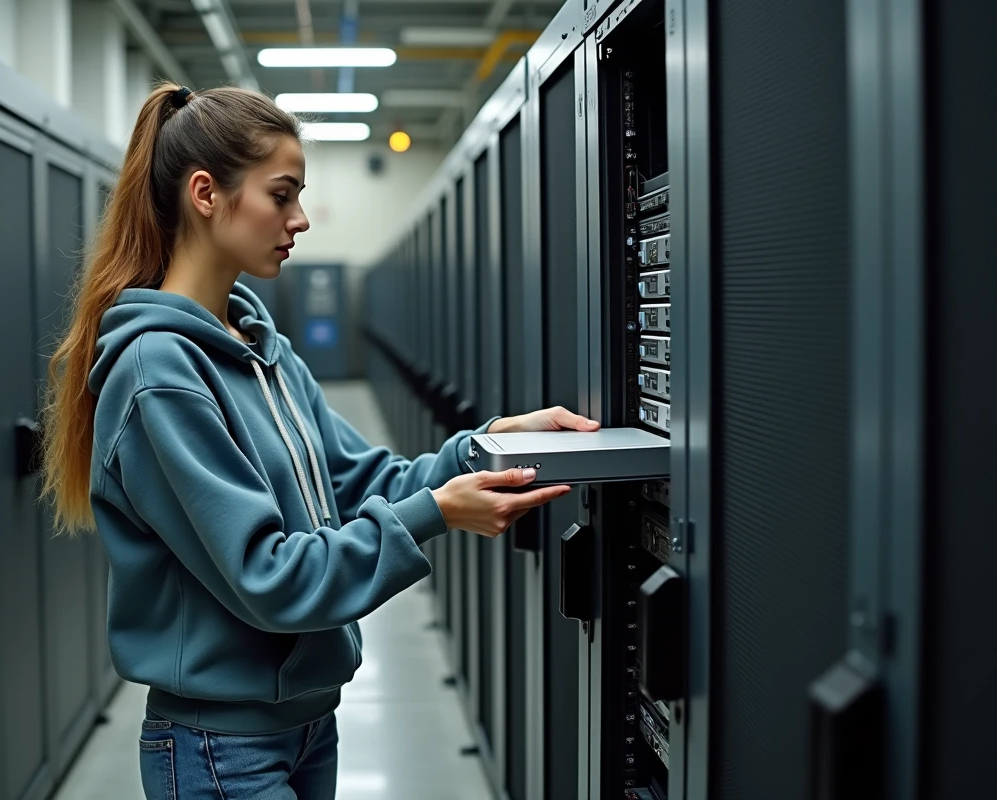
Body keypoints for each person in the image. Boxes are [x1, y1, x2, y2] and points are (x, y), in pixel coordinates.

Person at [40, 82, 600, 800]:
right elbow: (269, 576)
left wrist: (487, 445)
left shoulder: (260, 350)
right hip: (221, 747)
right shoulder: (160, 374)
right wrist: (436, 514)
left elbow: (360, 479)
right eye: (282, 195)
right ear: (205, 194)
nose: (300, 219)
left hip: (306, 724)